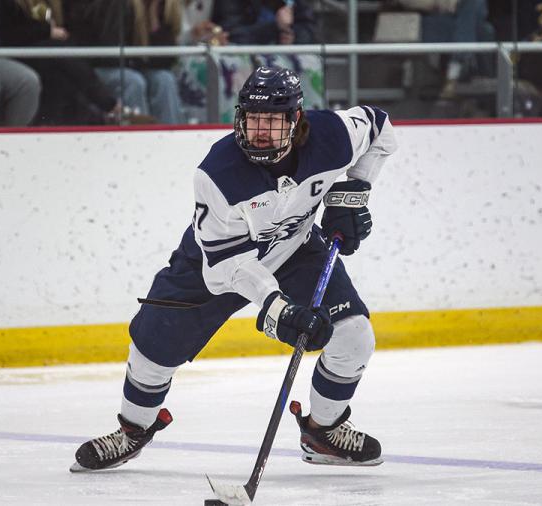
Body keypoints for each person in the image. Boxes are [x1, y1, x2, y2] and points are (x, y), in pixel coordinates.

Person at [71, 66, 397, 472]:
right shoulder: (219, 173)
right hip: (215, 261)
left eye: (273, 122)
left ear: (296, 122)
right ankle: (133, 430)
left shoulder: (331, 135)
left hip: (296, 248)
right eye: (253, 119)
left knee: (354, 337)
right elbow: (227, 267)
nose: (260, 131)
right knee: (152, 346)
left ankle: (323, 432)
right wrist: (277, 308)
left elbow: (380, 128)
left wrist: (353, 193)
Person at [2, 0, 122, 125]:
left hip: (55, 57)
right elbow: (8, 34)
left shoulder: (59, 5)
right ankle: (109, 106)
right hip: (20, 53)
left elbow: (74, 33)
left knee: (64, 74)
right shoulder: (12, 5)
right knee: (60, 63)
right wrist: (46, 31)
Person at [67, 0, 185, 124]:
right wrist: (137, 60)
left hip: (131, 66)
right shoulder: (119, 4)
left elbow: (167, 59)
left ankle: (171, 135)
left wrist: (153, 16)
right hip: (93, 68)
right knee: (133, 81)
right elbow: (110, 54)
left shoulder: (162, 7)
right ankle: (139, 136)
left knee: (164, 79)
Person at [212, 0, 317, 45]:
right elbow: (228, 34)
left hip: (285, 69)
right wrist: (275, 28)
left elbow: (310, 29)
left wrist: (292, 35)